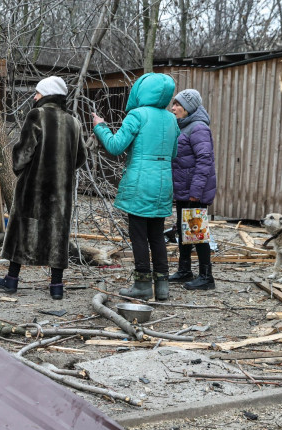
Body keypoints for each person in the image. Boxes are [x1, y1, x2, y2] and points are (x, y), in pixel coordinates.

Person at [0, 76, 87, 300]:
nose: (34, 97)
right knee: (58, 235)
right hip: (61, 191)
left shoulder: (36, 115)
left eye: (37, 93)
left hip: (34, 187)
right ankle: (56, 286)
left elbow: (23, 153)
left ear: (46, 94)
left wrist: (20, 170)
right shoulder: (73, 122)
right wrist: (64, 170)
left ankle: (11, 280)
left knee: (23, 230)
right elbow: (81, 157)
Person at [92, 73, 179, 301]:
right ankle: (162, 286)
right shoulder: (171, 119)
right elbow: (174, 154)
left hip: (140, 183)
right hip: (163, 183)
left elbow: (115, 146)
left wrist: (100, 127)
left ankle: (142, 284)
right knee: (157, 236)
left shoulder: (137, 115)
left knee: (139, 235)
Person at [168, 89, 217, 290]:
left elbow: (205, 161)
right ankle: (185, 270)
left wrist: (195, 193)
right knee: (184, 229)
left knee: (197, 232)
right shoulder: (184, 126)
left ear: (188, 108)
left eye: (178, 105)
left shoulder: (198, 128)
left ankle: (207, 277)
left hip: (194, 192)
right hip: (184, 190)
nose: (173, 108)